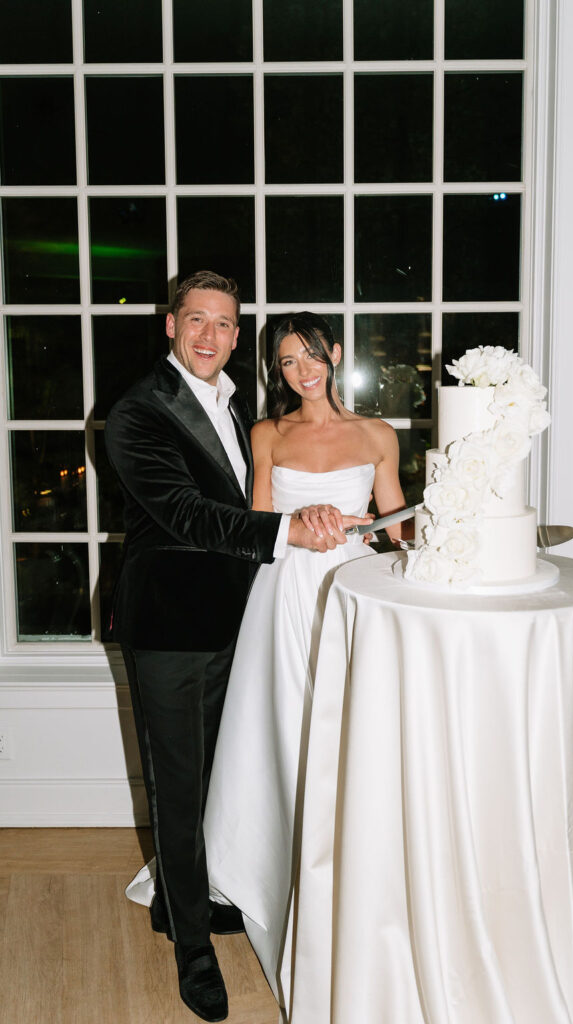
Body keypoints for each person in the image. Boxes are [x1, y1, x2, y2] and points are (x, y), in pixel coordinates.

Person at [104, 273, 370, 1023]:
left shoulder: (236, 405)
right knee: (177, 787)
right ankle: (191, 948)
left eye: (223, 324)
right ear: (171, 325)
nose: (209, 336)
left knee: (219, 774)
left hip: (238, 622)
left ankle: (183, 899)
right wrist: (292, 531)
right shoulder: (137, 412)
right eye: (196, 320)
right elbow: (188, 515)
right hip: (169, 627)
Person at [201, 311, 411, 1020]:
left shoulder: (377, 435)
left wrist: (362, 527)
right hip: (285, 590)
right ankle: (272, 867)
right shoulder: (266, 433)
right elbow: (257, 523)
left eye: (311, 356)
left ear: (336, 354)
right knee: (286, 732)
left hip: (354, 591)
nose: (302, 371)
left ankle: (350, 870)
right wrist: (300, 525)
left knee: (351, 736)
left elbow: (396, 531)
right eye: (287, 362)